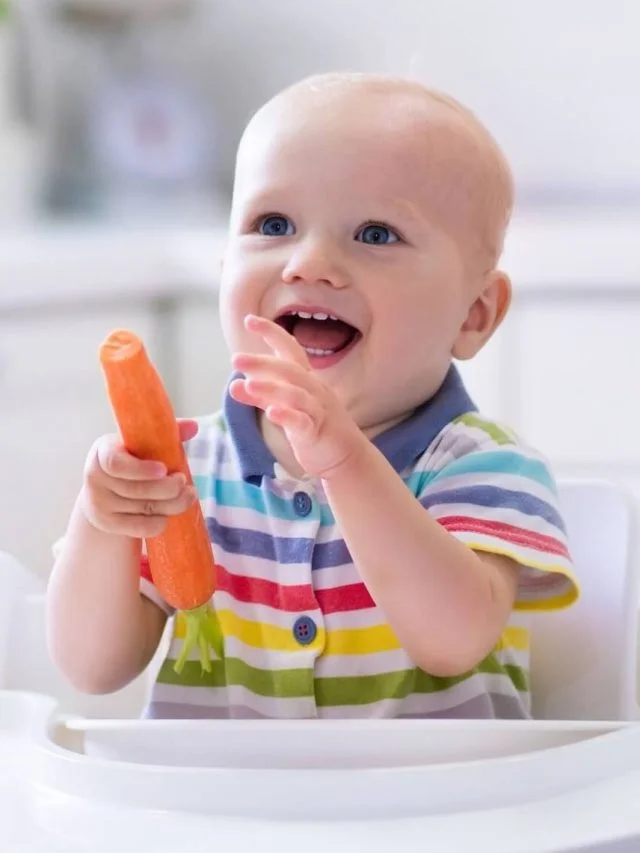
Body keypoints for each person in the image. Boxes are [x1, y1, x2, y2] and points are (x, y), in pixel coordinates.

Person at [46, 72, 579, 720]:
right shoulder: (187, 471)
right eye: (274, 223)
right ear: (224, 272)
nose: (310, 262)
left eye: (376, 234)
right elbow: (90, 667)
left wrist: (345, 461)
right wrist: (104, 524)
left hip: (427, 815)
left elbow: (454, 639)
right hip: (222, 815)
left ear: (473, 314)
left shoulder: (484, 468)